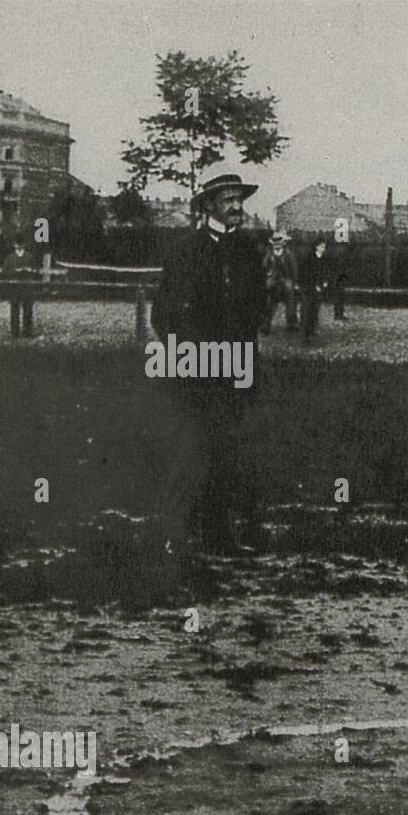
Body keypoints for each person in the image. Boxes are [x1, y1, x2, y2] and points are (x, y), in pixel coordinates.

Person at [151, 172, 267, 553]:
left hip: (233, 368)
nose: (236, 207)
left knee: (225, 451)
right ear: (209, 206)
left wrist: (245, 353)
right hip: (195, 368)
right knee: (190, 450)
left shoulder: (249, 251)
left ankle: (219, 536)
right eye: (228, 200)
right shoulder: (186, 250)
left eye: (239, 199)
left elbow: (257, 308)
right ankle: (175, 534)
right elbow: (164, 314)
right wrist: (185, 355)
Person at [1, 233, 39, 338]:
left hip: (27, 286)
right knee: (14, 309)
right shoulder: (9, 258)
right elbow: (4, 272)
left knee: (27, 310)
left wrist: (29, 270)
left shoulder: (29, 257)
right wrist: (15, 271)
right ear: (14, 245)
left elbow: (36, 272)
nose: (18, 246)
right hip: (14, 287)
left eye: (20, 244)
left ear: (24, 245)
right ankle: (15, 332)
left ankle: (27, 332)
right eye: (17, 244)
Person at [261, 230, 299, 334]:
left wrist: (295, 283)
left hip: (285, 278)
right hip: (273, 279)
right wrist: (267, 275)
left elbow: (294, 270)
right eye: (274, 243)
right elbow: (264, 267)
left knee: (290, 297)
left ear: (283, 243)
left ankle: (292, 324)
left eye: (278, 243)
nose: (276, 245)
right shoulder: (269, 254)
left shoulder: (288, 254)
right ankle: (265, 325)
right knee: (268, 301)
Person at [298, 237, 333, 342]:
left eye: (324, 247)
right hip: (308, 288)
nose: (323, 248)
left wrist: (325, 281)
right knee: (307, 310)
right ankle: (306, 332)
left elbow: (327, 272)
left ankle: (313, 328)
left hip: (319, 288)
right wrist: (313, 285)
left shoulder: (325, 259)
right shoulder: (309, 259)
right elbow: (306, 274)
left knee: (315, 308)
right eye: (321, 246)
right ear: (316, 247)